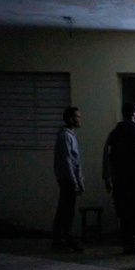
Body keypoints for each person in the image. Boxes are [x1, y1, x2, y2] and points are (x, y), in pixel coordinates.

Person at [103, 101, 135, 255]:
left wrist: (108, 178)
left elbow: (108, 157)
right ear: (133, 114)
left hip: (120, 180)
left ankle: (129, 244)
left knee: (125, 214)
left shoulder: (113, 134)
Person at [52, 106, 85, 252]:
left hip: (68, 179)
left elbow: (73, 161)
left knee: (64, 209)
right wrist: (74, 181)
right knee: (67, 210)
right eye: (77, 116)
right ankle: (64, 237)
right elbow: (67, 161)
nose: (79, 119)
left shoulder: (69, 136)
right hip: (68, 179)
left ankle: (59, 238)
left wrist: (79, 181)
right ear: (71, 119)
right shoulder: (66, 137)